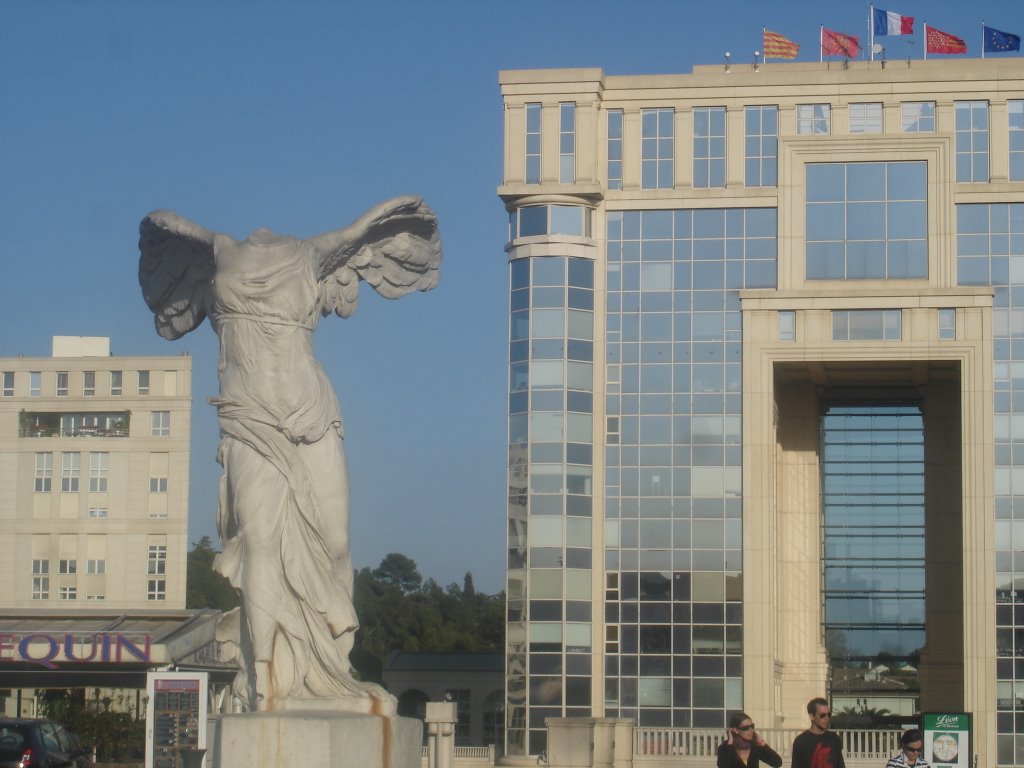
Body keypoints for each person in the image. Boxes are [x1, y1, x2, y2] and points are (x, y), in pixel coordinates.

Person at [138, 196, 441, 713]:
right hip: (250, 417)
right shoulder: (216, 249)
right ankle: (265, 681)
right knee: (259, 543)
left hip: (311, 413)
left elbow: (374, 230)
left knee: (336, 542)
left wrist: (389, 214)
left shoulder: (313, 253)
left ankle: (331, 665)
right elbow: (162, 239)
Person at [792, 698, 846, 768]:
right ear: (812, 716)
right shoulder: (801, 741)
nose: (826, 718)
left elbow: (840, 765)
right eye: (822, 715)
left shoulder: (834, 739)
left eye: (828, 714)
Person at [717, 712, 783, 768]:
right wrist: (730, 743)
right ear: (736, 730)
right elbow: (723, 765)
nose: (751, 730)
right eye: (746, 728)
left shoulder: (755, 746)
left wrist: (762, 743)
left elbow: (777, 763)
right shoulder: (725, 748)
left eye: (752, 726)